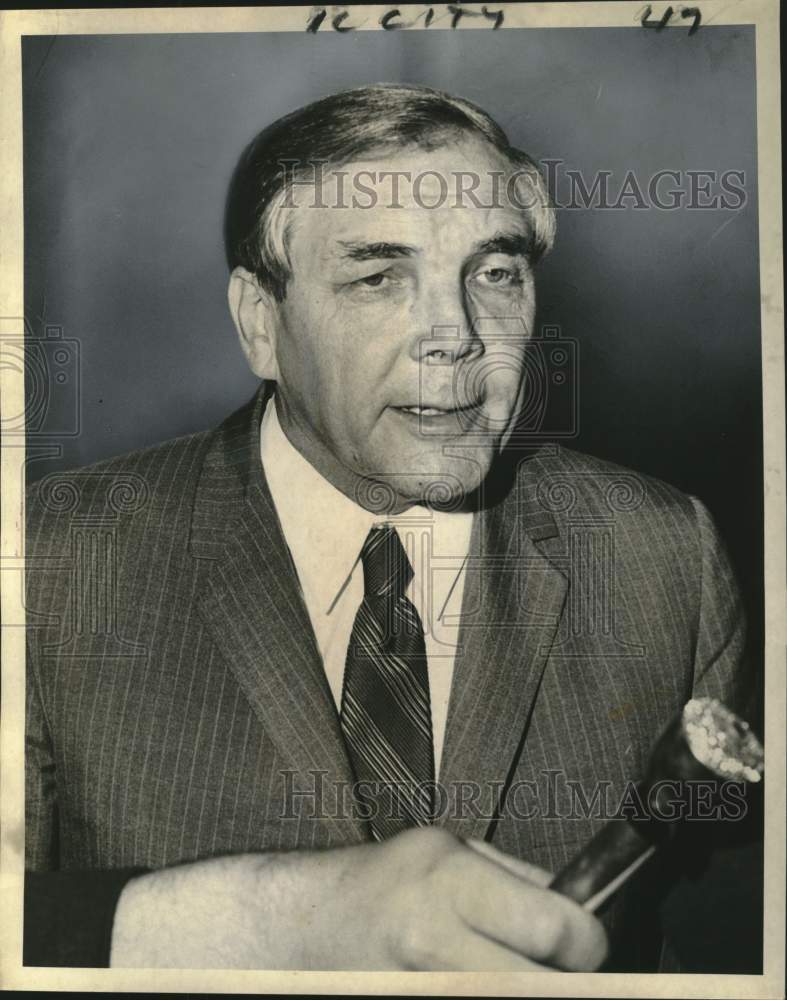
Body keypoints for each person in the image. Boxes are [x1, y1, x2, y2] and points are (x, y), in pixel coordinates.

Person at [24, 83, 750, 972]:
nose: (455, 335)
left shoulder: (661, 553)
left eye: (494, 274)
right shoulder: (51, 561)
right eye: (378, 277)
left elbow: (726, 940)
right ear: (260, 324)